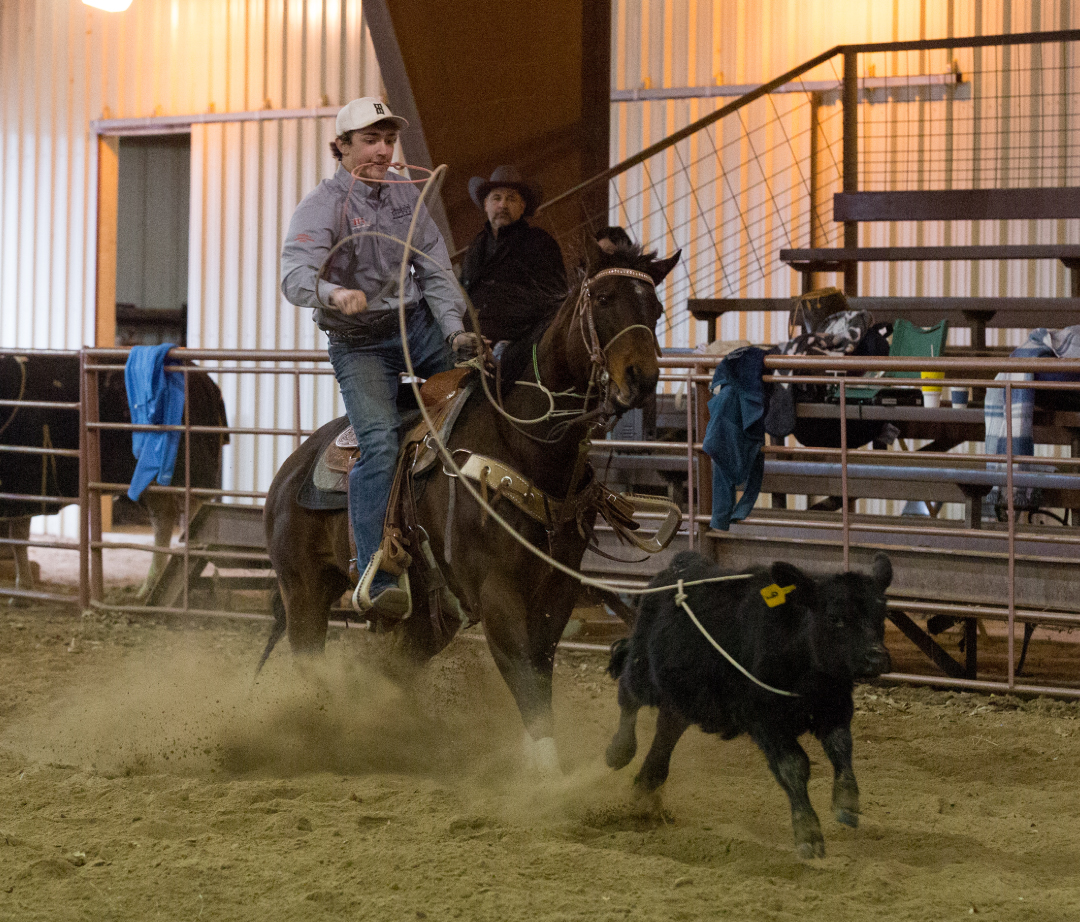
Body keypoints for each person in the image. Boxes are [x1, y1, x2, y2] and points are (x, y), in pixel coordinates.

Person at [280, 97, 481, 618]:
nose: (383, 150)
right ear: (342, 147)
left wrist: (455, 330)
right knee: (379, 440)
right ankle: (375, 567)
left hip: (414, 325)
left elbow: (434, 269)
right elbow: (294, 275)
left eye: (388, 139)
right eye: (370, 139)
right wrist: (333, 294)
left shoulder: (404, 197)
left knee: (483, 395)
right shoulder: (321, 206)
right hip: (359, 341)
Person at [459, 166, 568, 349]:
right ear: (486, 205)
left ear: (522, 206)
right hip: (473, 344)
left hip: (521, 345)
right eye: (497, 198)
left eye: (511, 198)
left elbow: (555, 300)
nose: (503, 205)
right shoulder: (476, 247)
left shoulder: (539, 242)